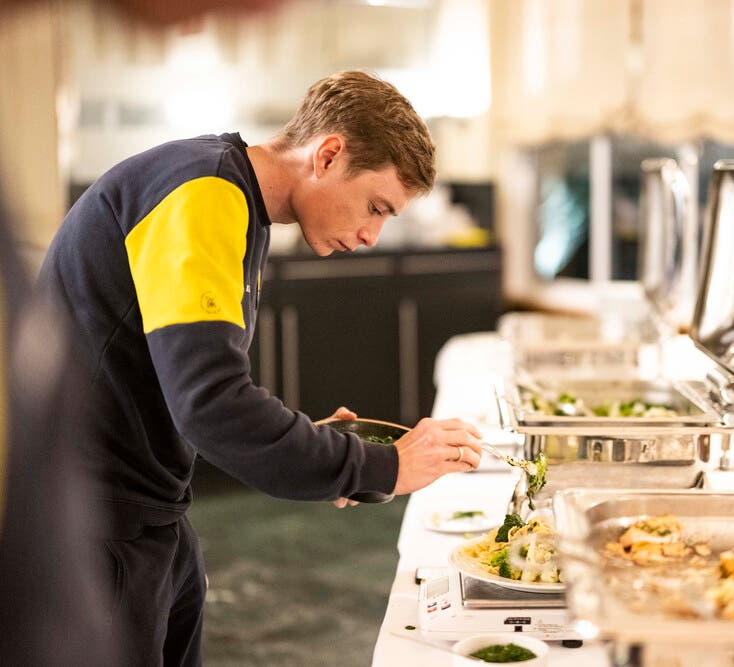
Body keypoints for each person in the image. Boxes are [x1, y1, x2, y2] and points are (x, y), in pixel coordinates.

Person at [35, 70, 484, 665]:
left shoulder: (237, 200)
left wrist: (320, 449)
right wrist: (380, 465)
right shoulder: (202, 194)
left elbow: (187, 386)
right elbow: (212, 406)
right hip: (94, 531)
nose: (373, 235)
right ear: (328, 155)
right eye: (376, 207)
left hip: (149, 514)